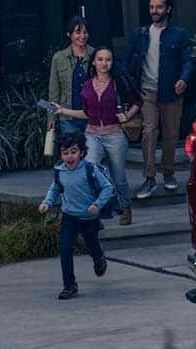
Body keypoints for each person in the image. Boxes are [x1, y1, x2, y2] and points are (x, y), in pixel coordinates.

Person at [52, 47, 139, 226]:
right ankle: (94, 213)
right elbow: (87, 113)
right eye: (100, 59)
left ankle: (125, 206)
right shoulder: (87, 85)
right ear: (93, 62)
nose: (104, 63)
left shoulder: (118, 82)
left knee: (119, 177)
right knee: (90, 174)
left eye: (108, 59)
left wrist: (128, 115)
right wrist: (63, 110)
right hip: (92, 134)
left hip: (114, 133)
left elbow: (138, 101)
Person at [125, 0, 193, 199]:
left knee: (171, 134)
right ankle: (149, 177)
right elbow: (127, 61)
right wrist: (127, 88)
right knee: (149, 131)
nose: (154, 11)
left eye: (159, 7)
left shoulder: (179, 34)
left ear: (168, 9)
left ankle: (169, 172)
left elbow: (188, 60)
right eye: (152, 7)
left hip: (171, 92)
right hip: (147, 92)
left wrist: (184, 78)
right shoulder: (140, 34)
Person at [39, 133, 114, 300]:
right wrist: (47, 202)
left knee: (92, 244)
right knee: (65, 249)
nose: (69, 156)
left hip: (88, 217)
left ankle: (99, 259)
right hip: (69, 216)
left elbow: (108, 188)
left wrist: (97, 205)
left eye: (73, 152)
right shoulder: (60, 171)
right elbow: (56, 188)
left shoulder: (89, 169)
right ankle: (69, 286)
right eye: (65, 153)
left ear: (81, 152)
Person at [47, 15, 94, 138]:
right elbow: (54, 91)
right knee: (72, 152)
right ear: (69, 34)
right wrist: (51, 118)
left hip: (91, 115)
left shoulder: (95, 55)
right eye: (78, 32)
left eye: (85, 32)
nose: (82, 36)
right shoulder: (59, 58)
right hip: (67, 116)